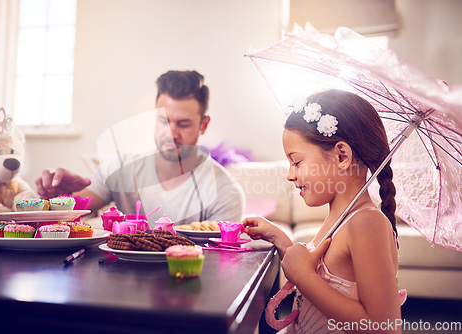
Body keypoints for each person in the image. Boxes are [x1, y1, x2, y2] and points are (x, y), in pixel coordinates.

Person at [242, 90, 404, 333]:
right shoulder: (339, 217)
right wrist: (281, 239)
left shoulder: (367, 223)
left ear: (341, 156)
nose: (290, 174)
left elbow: (384, 326)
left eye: (296, 162)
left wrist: (304, 277)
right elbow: (326, 274)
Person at [36, 70, 245, 226]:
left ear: (204, 125)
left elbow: (217, 266)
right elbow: (71, 211)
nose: (171, 134)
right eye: (164, 120)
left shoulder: (225, 192)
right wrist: (58, 194)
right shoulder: (120, 168)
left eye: (183, 124)